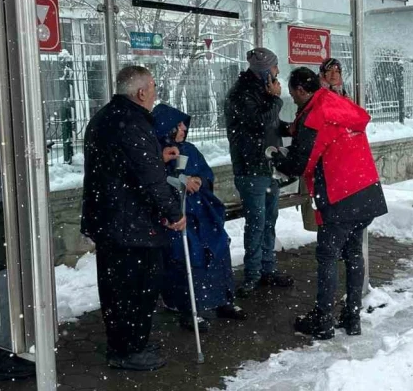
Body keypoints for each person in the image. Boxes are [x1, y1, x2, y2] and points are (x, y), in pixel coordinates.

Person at [81, 66, 186, 371]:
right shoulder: (131, 122)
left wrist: (156, 154)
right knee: (136, 288)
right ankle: (129, 349)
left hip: (111, 218)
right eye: (153, 87)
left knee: (117, 288)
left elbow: (127, 164)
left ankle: (127, 343)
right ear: (141, 92)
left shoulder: (108, 116)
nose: (155, 94)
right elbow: (149, 177)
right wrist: (172, 212)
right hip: (130, 224)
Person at [271, 68, 387, 340]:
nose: (293, 99)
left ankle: (323, 320)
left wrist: (278, 160)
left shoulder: (315, 115)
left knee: (327, 257)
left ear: (301, 90)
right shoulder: (335, 102)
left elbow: (300, 162)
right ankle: (352, 316)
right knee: (354, 253)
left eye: (293, 94)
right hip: (364, 188)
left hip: (340, 195)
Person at [151, 103, 248, 332]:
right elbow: (154, 181)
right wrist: (178, 182)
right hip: (176, 217)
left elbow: (207, 175)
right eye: (179, 124)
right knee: (188, 252)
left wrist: (199, 181)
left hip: (201, 213)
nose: (184, 128)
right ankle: (189, 307)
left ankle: (222, 300)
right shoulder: (155, 152)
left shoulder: (190, 149)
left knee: (219, 244)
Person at [224, 47, 294, 297]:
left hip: (267, 167)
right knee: (257, 223)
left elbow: (269, 125)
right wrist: (276, 99)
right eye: (275, 68)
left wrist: (289, 129)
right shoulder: (242, 94)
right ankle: (253, 274)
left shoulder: (259, 91)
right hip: (251, 168)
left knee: (269, 220)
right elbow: (259, 123)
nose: (278, 73)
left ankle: (267, 269)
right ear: (266, 71)